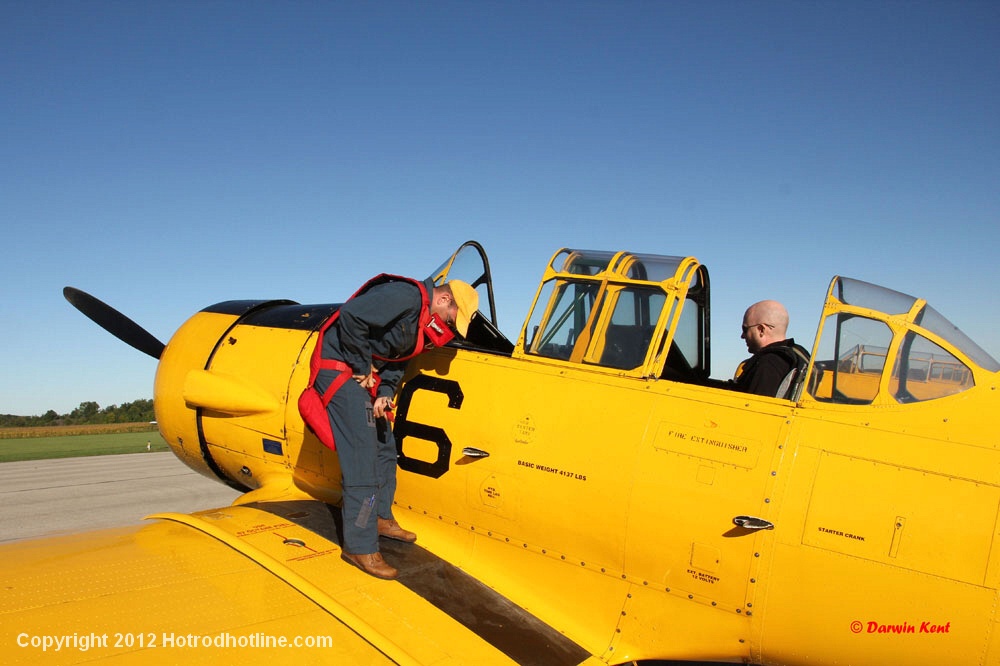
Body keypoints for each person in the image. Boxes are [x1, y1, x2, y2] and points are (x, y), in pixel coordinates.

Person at [309, 275, 478, 580]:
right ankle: (359, 546)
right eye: (452, 322)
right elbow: (351, 315)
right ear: (442, 300)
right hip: (338, 367)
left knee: (385, 445)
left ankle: (380, 517)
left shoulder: (423, 322)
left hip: (365, 375)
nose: (450, 330)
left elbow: (398, 360)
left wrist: (385, 393)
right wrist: (362, 369)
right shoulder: (405, 296)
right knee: (363, 453)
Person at [732, 300, 809, 398]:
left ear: (761, 330)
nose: (742, 336)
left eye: (745, 329)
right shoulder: (800, 355)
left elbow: (752, 409)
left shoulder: (768, 364)